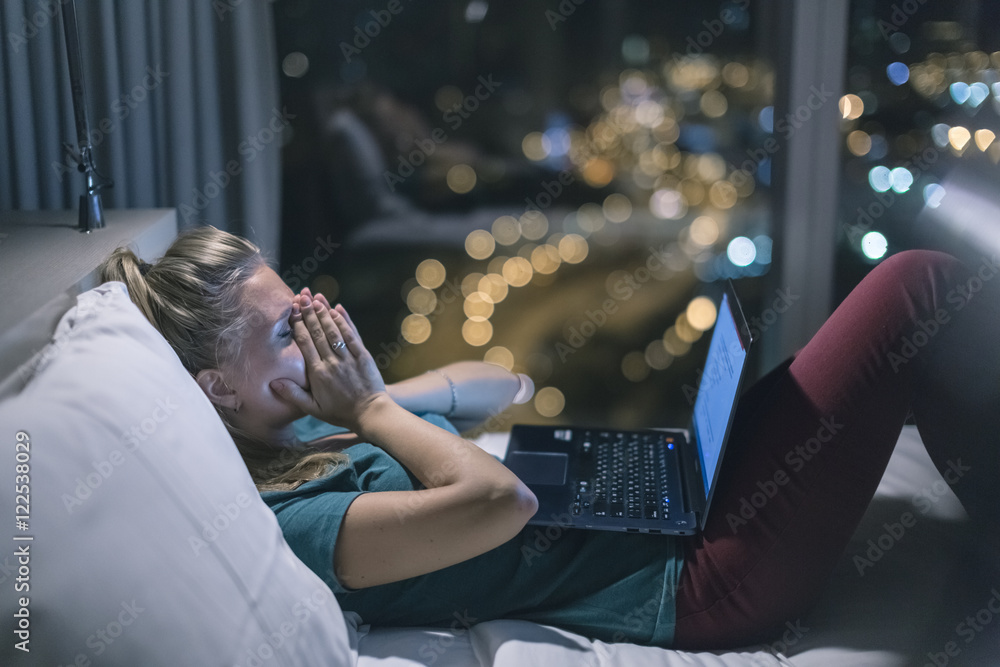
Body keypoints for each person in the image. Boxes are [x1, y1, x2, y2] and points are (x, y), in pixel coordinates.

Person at [98, 225, 1000, 650]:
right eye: (287, 332)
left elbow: (502, 385)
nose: (315, 334)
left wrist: (366, 394)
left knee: (854, 345)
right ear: (214, 388)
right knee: (913, 289)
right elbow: (502, 499)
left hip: (678, 525)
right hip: (701, 580)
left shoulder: (312, 435)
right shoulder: (293, 522)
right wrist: (371, 414)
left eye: (304, 310)